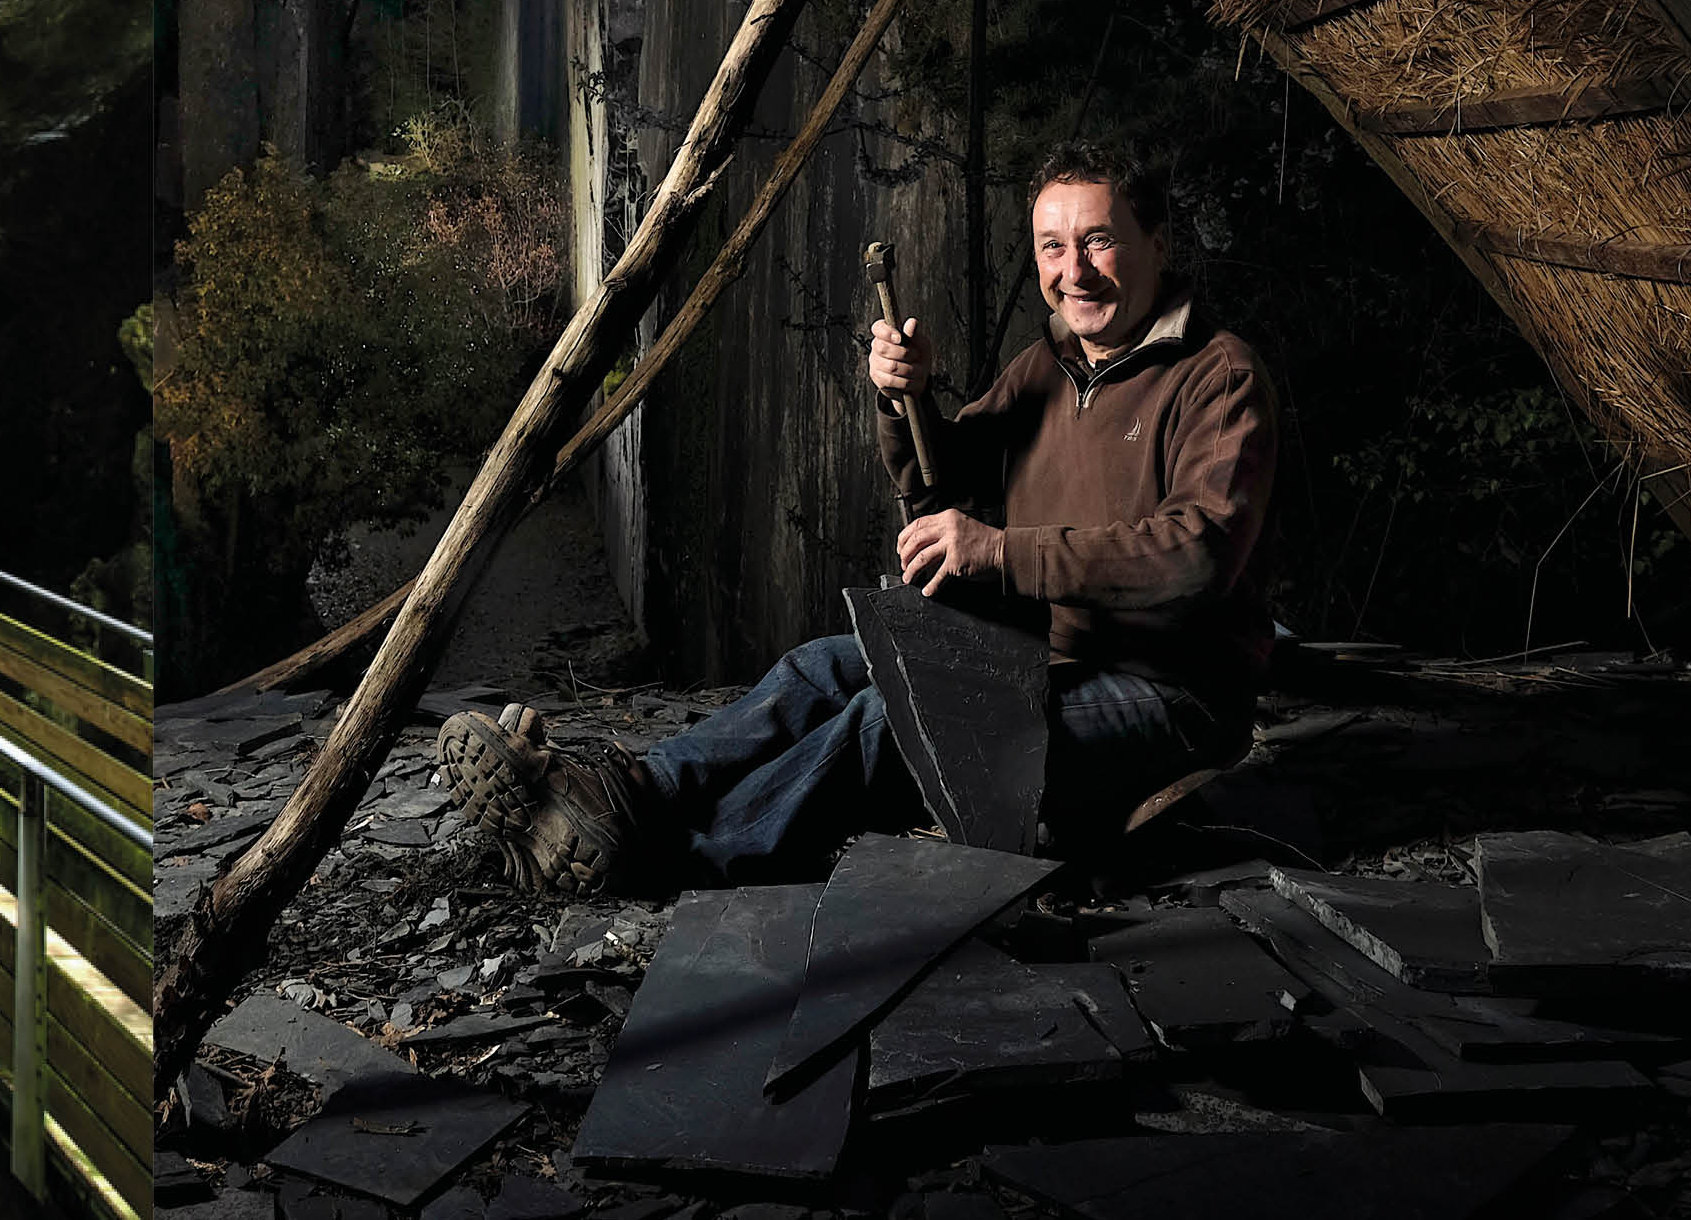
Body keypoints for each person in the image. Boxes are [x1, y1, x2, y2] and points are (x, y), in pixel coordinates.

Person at [438, 142, 1280, 893]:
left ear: (1156, 244)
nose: (1073, 270)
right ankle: (631, 793)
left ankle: (673, 856)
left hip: (1167, 694)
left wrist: (995, 550)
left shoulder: (1217, 375)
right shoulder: (1047, 364)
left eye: (1097, 240)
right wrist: (899, 396)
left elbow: (1194, 554)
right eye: (1051, 247)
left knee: (898, 721)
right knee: (822, 670)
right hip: (1044, 654)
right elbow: (937, 478)